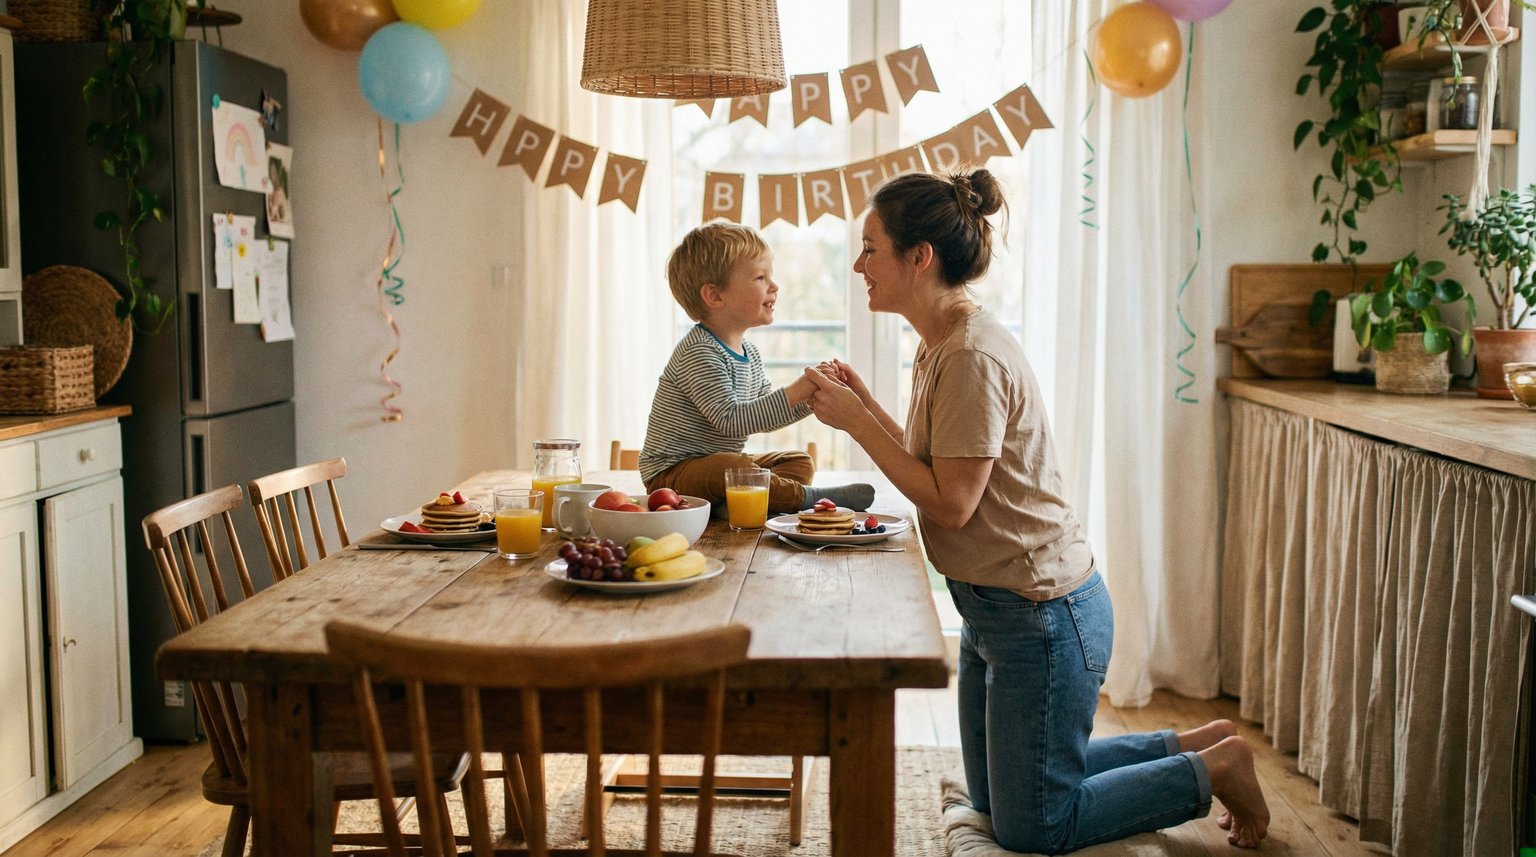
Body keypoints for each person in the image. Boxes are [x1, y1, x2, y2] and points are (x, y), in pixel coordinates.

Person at [801, 169, 1270, 852]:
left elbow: (953, 504)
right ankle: (1194, 743)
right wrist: (866, 405)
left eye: (871, 248)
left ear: (918, 256)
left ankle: (1214, 768)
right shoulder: (938, 344)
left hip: (1042, 617)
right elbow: (937, 465)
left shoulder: (968, 356)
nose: (858, 264)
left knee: (1035, 824)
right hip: (994, 612)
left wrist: (855, 424)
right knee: (995, 798)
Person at [639, 220, 874, 514]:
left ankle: (730, 505)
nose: (774, 286)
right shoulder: (699, 352)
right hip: (671, 476)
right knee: (733, 467)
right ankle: (807, 499)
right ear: (715, 295)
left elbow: (762, 416)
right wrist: (795, 389)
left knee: (797, 461)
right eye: (760, 278)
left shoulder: (748, 352)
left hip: (714, 468)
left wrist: (810, 396)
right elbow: (732, 421)